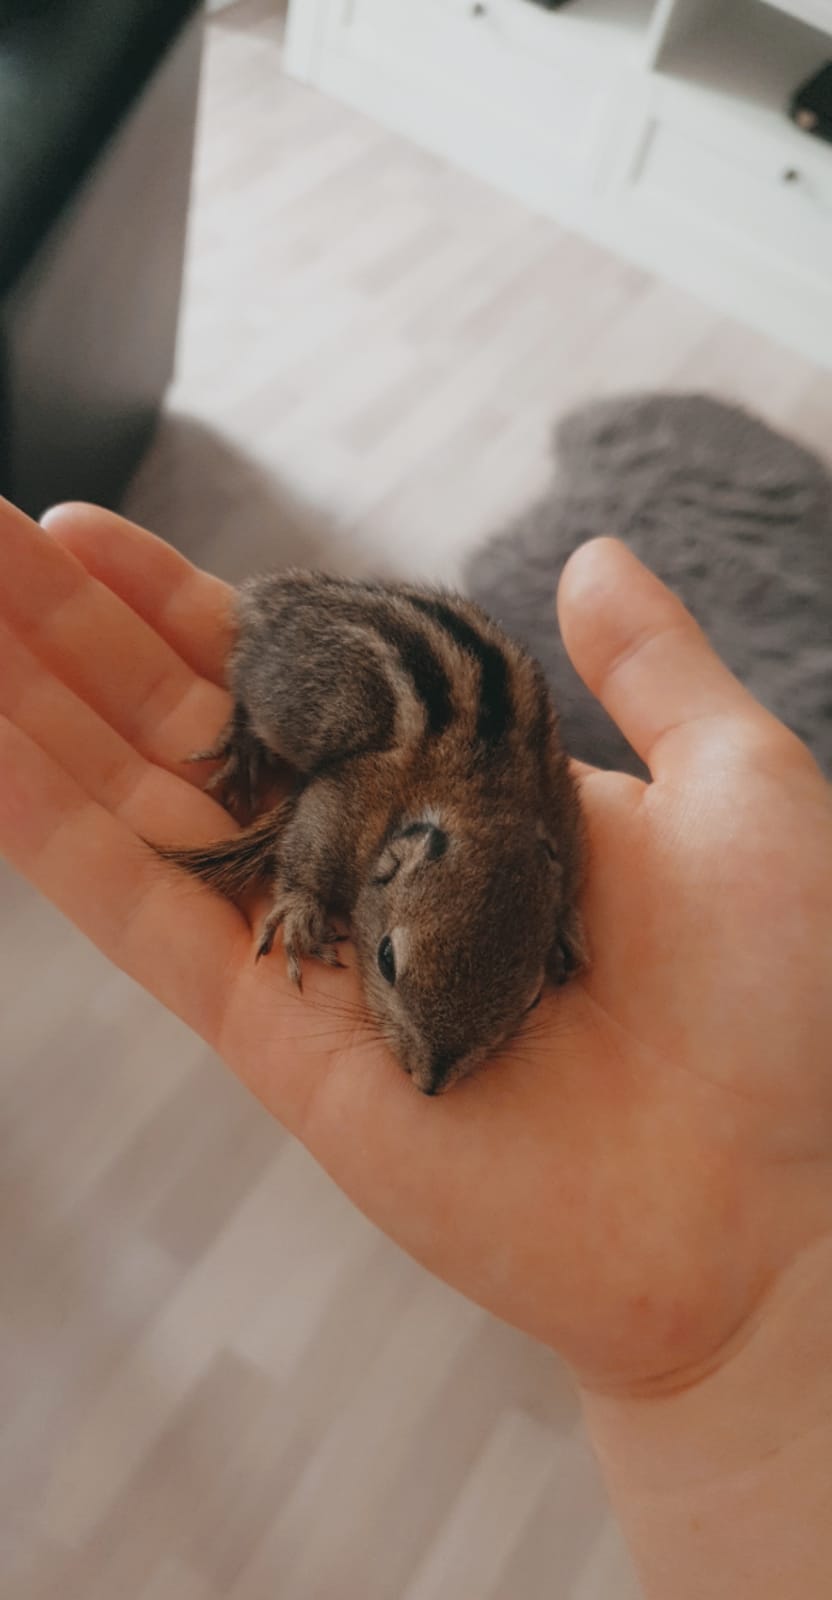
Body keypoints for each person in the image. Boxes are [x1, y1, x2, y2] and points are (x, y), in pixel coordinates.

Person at [1, 495, 830, 1597]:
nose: (429, 1073)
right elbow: (334, 804)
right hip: (347, 663)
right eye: (390, 979)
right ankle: (259, 715)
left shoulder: (541, 851)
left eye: (493, 1026)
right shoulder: (376, 811)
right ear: (391, 871)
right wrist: (300, 882)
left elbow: (553, 849)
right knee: (315, 713)